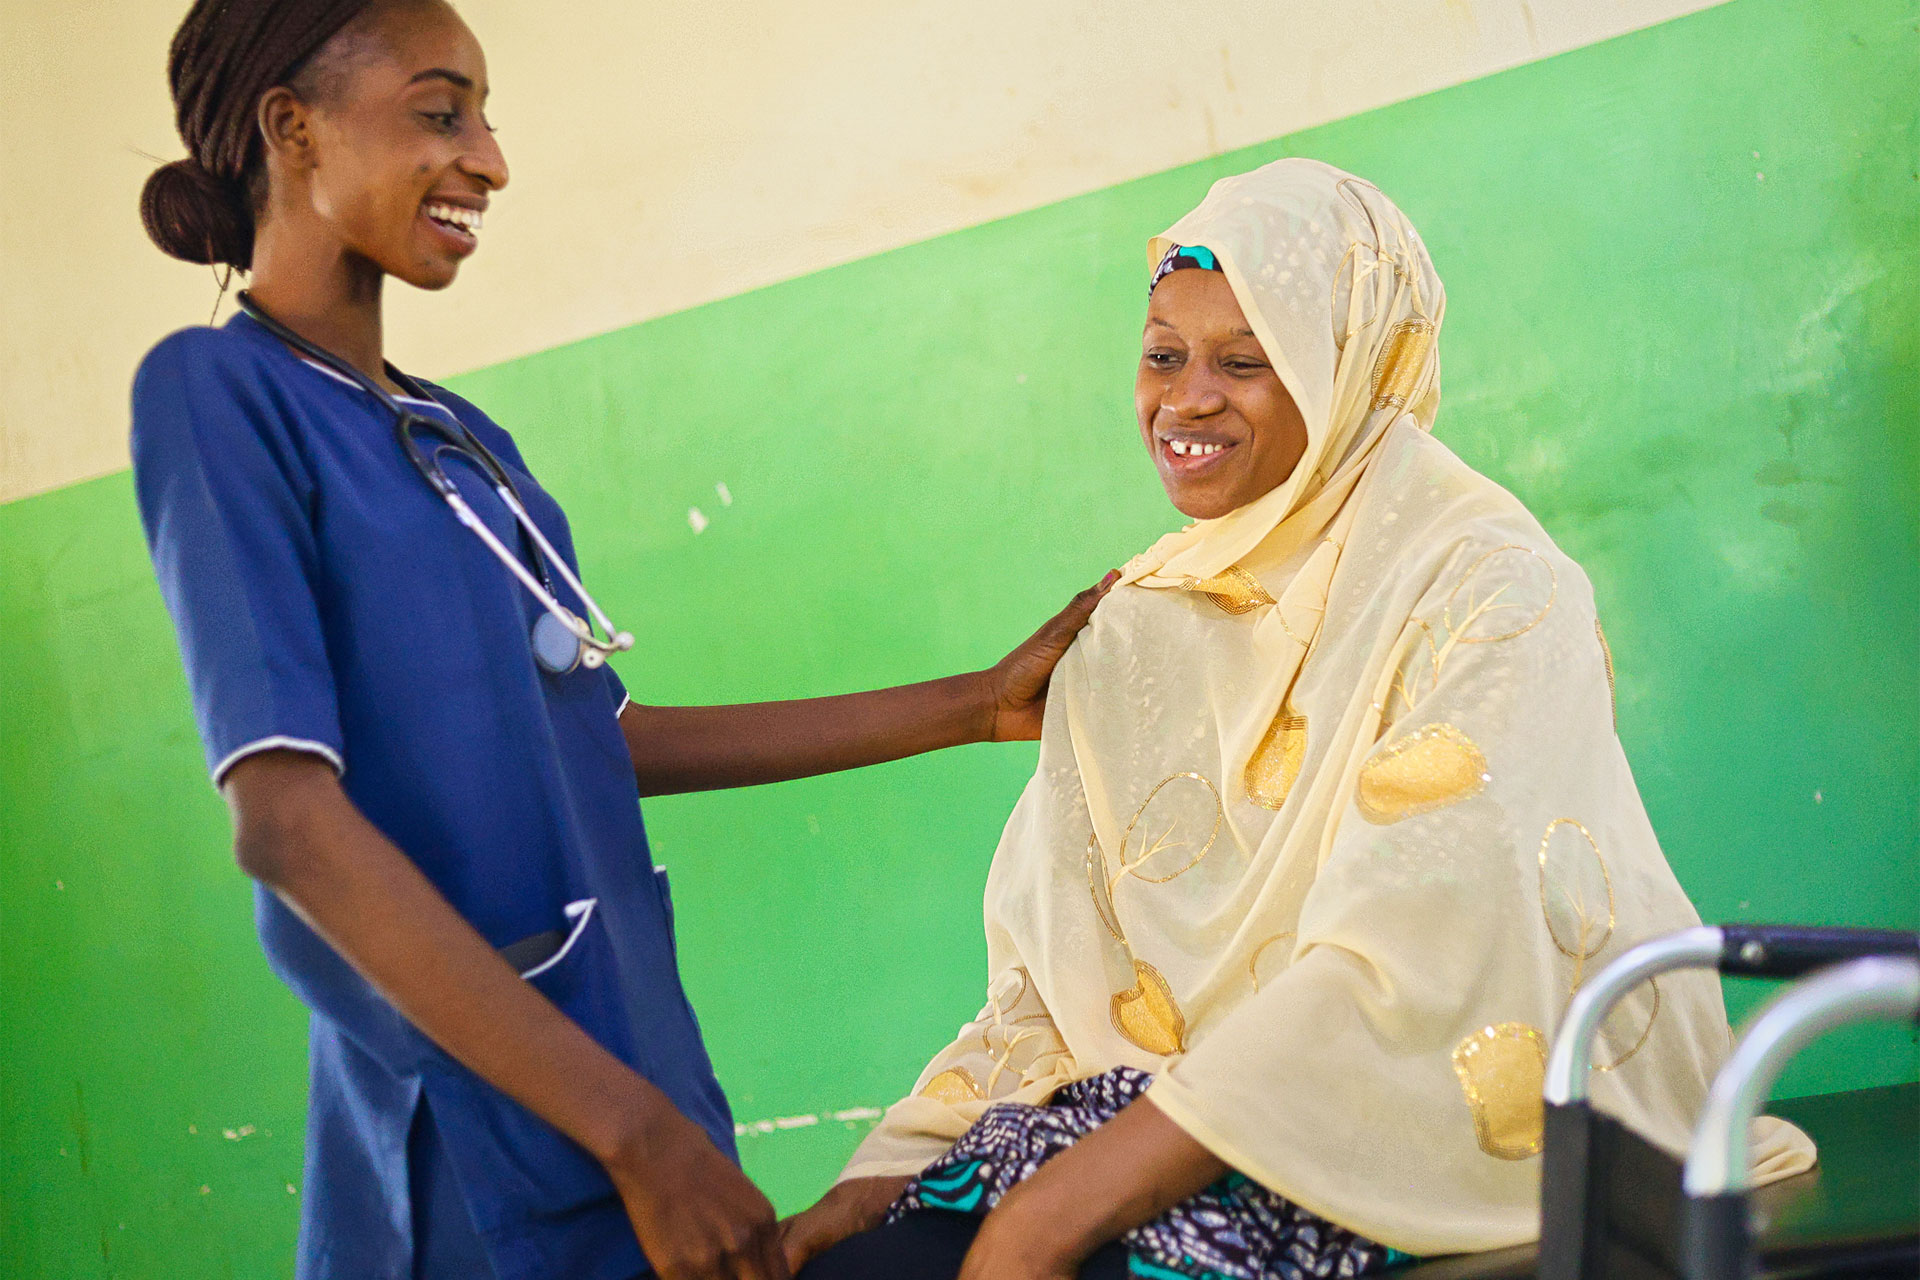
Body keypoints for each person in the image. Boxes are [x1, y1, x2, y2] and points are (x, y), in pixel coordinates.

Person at [129, 3, 1112, 1277]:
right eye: (442, 113)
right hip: (482, 1131)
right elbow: (287, 820)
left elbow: (604, 737)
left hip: (628, 1068)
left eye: (486, 117)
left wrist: (973, 705)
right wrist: (633, 1131)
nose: (488, 158)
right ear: (290, 127)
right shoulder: (217, 395)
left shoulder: (468, 445)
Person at [780, 159, 1816, 1280]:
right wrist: (888, 1169)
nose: (1186, 399)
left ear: (1347, 368)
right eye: (1163, 354)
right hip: (1152, 1114)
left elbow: (1421, 941)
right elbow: (1053, 972)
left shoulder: (1491, 587)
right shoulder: (1138, 618)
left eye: (1248, 359)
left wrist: (1052, 1214)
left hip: (1408, 1129)